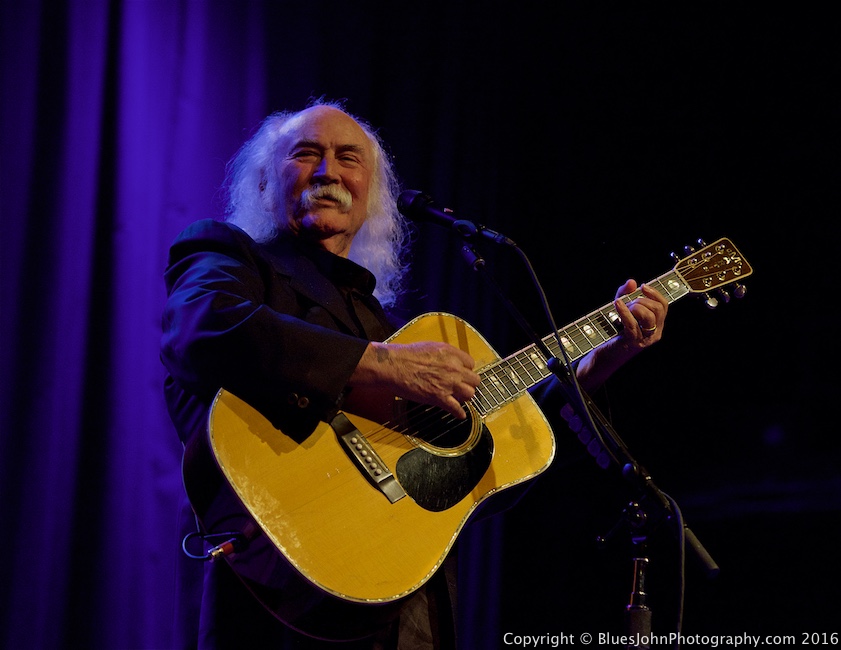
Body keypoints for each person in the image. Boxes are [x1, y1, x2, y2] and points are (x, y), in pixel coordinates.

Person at [160, 100, 668, 649]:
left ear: (371, 194)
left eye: (348, 158)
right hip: (281, 594)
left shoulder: (385, 324)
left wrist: (600, 361)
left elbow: (497, 443)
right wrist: (383, 364)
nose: (328, 171)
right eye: (306, 154)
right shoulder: (229, 257)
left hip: (410, 604)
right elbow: (203, 330)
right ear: (264, 182)